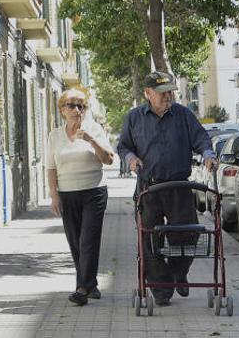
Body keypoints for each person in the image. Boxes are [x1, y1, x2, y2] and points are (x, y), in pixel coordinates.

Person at [117, 71, 217, 306]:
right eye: (163, 93)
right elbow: (123, 146)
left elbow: (201, 138)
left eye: (171, 91)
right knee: (150, 240)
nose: (168, 96)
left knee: (188, 236)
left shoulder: (183, 115)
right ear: (148, 93)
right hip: (148, 189)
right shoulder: (134, 118)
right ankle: (162, 288)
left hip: (179, 187)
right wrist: (130, 159)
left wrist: (208, 154)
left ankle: (176, 273)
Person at [46, 88, 115, 306]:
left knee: (88, 241)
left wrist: (91, 140)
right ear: (62, 110)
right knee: (75, 243)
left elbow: (109, 159)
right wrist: (54, 196)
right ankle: (90, 284)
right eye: (72, 106)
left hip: (94, 192)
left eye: (81, 106)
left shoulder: (94, 129)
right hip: (67, 195)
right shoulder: (55, 135)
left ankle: (82, 288)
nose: (77, 110)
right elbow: (50, 167)